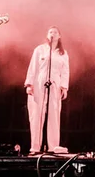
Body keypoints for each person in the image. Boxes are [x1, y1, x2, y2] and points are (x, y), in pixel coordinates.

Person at [25, 26, 70, 155]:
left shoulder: (63, 53)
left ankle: (53, 146)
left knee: (54, 115)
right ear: (47, 35)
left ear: (59, 36)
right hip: (39, 83)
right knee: (36, 115)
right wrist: (29, 84)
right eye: (50, 32)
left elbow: (65, 71)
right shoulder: (40, 50)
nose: (52, 34)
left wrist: (64, 87)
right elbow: (33, 66)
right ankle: (35, 147)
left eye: (55, 32)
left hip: (55, 84)